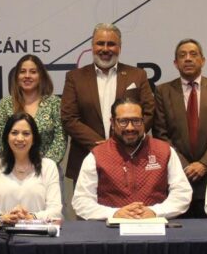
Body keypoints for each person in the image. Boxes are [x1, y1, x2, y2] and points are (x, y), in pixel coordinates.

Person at [61, 23, 155, 183]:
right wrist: (100, 146)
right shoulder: (75, 77)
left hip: (130, 156)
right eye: (100, 43)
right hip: (87, 157)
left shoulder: (137, 75)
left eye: (111, 44)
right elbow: (69, 118)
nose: (105, 49)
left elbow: (149, 112)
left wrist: (122, 140)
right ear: (92, 46)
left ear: (119, 48)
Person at [153, 38, 207, 217]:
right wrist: (184, 165)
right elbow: (160, 134)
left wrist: (204, 163)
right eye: (182, 55)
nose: (188, 59)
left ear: (203, 60)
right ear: (175, 63)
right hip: (177, 176)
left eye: (193, 54)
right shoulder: (162, 91)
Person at [72, 98, 191, 220]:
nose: (130, 127)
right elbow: (81, 201)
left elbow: (182, 193)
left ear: (143, 121)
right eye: (123, 121)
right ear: (112, 122)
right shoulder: (96, 156)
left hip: (156, 224)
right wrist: (114, 213)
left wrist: (155, 211)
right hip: (111, 228)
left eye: (136, 121)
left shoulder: (164, 151)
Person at [0, 112, 63, 223]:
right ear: (7, 137)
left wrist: (32, 217)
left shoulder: (48, 166)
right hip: (3, 230)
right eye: (14, 133)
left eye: (26, 133)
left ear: (34, 139)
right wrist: (3, 216)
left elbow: (55, 210)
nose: (19, 138)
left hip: (38, 231)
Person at [0, 55, 66, 164]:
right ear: (16, 76)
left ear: (41, 76)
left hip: (48, 169)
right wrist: (18, 166)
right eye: (22, 72)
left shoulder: (54, 103)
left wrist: (43, 167)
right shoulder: (5, 104)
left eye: (33, 72)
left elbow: (60, 139)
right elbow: (1, 142)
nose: (27, 76)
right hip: (14, 169)